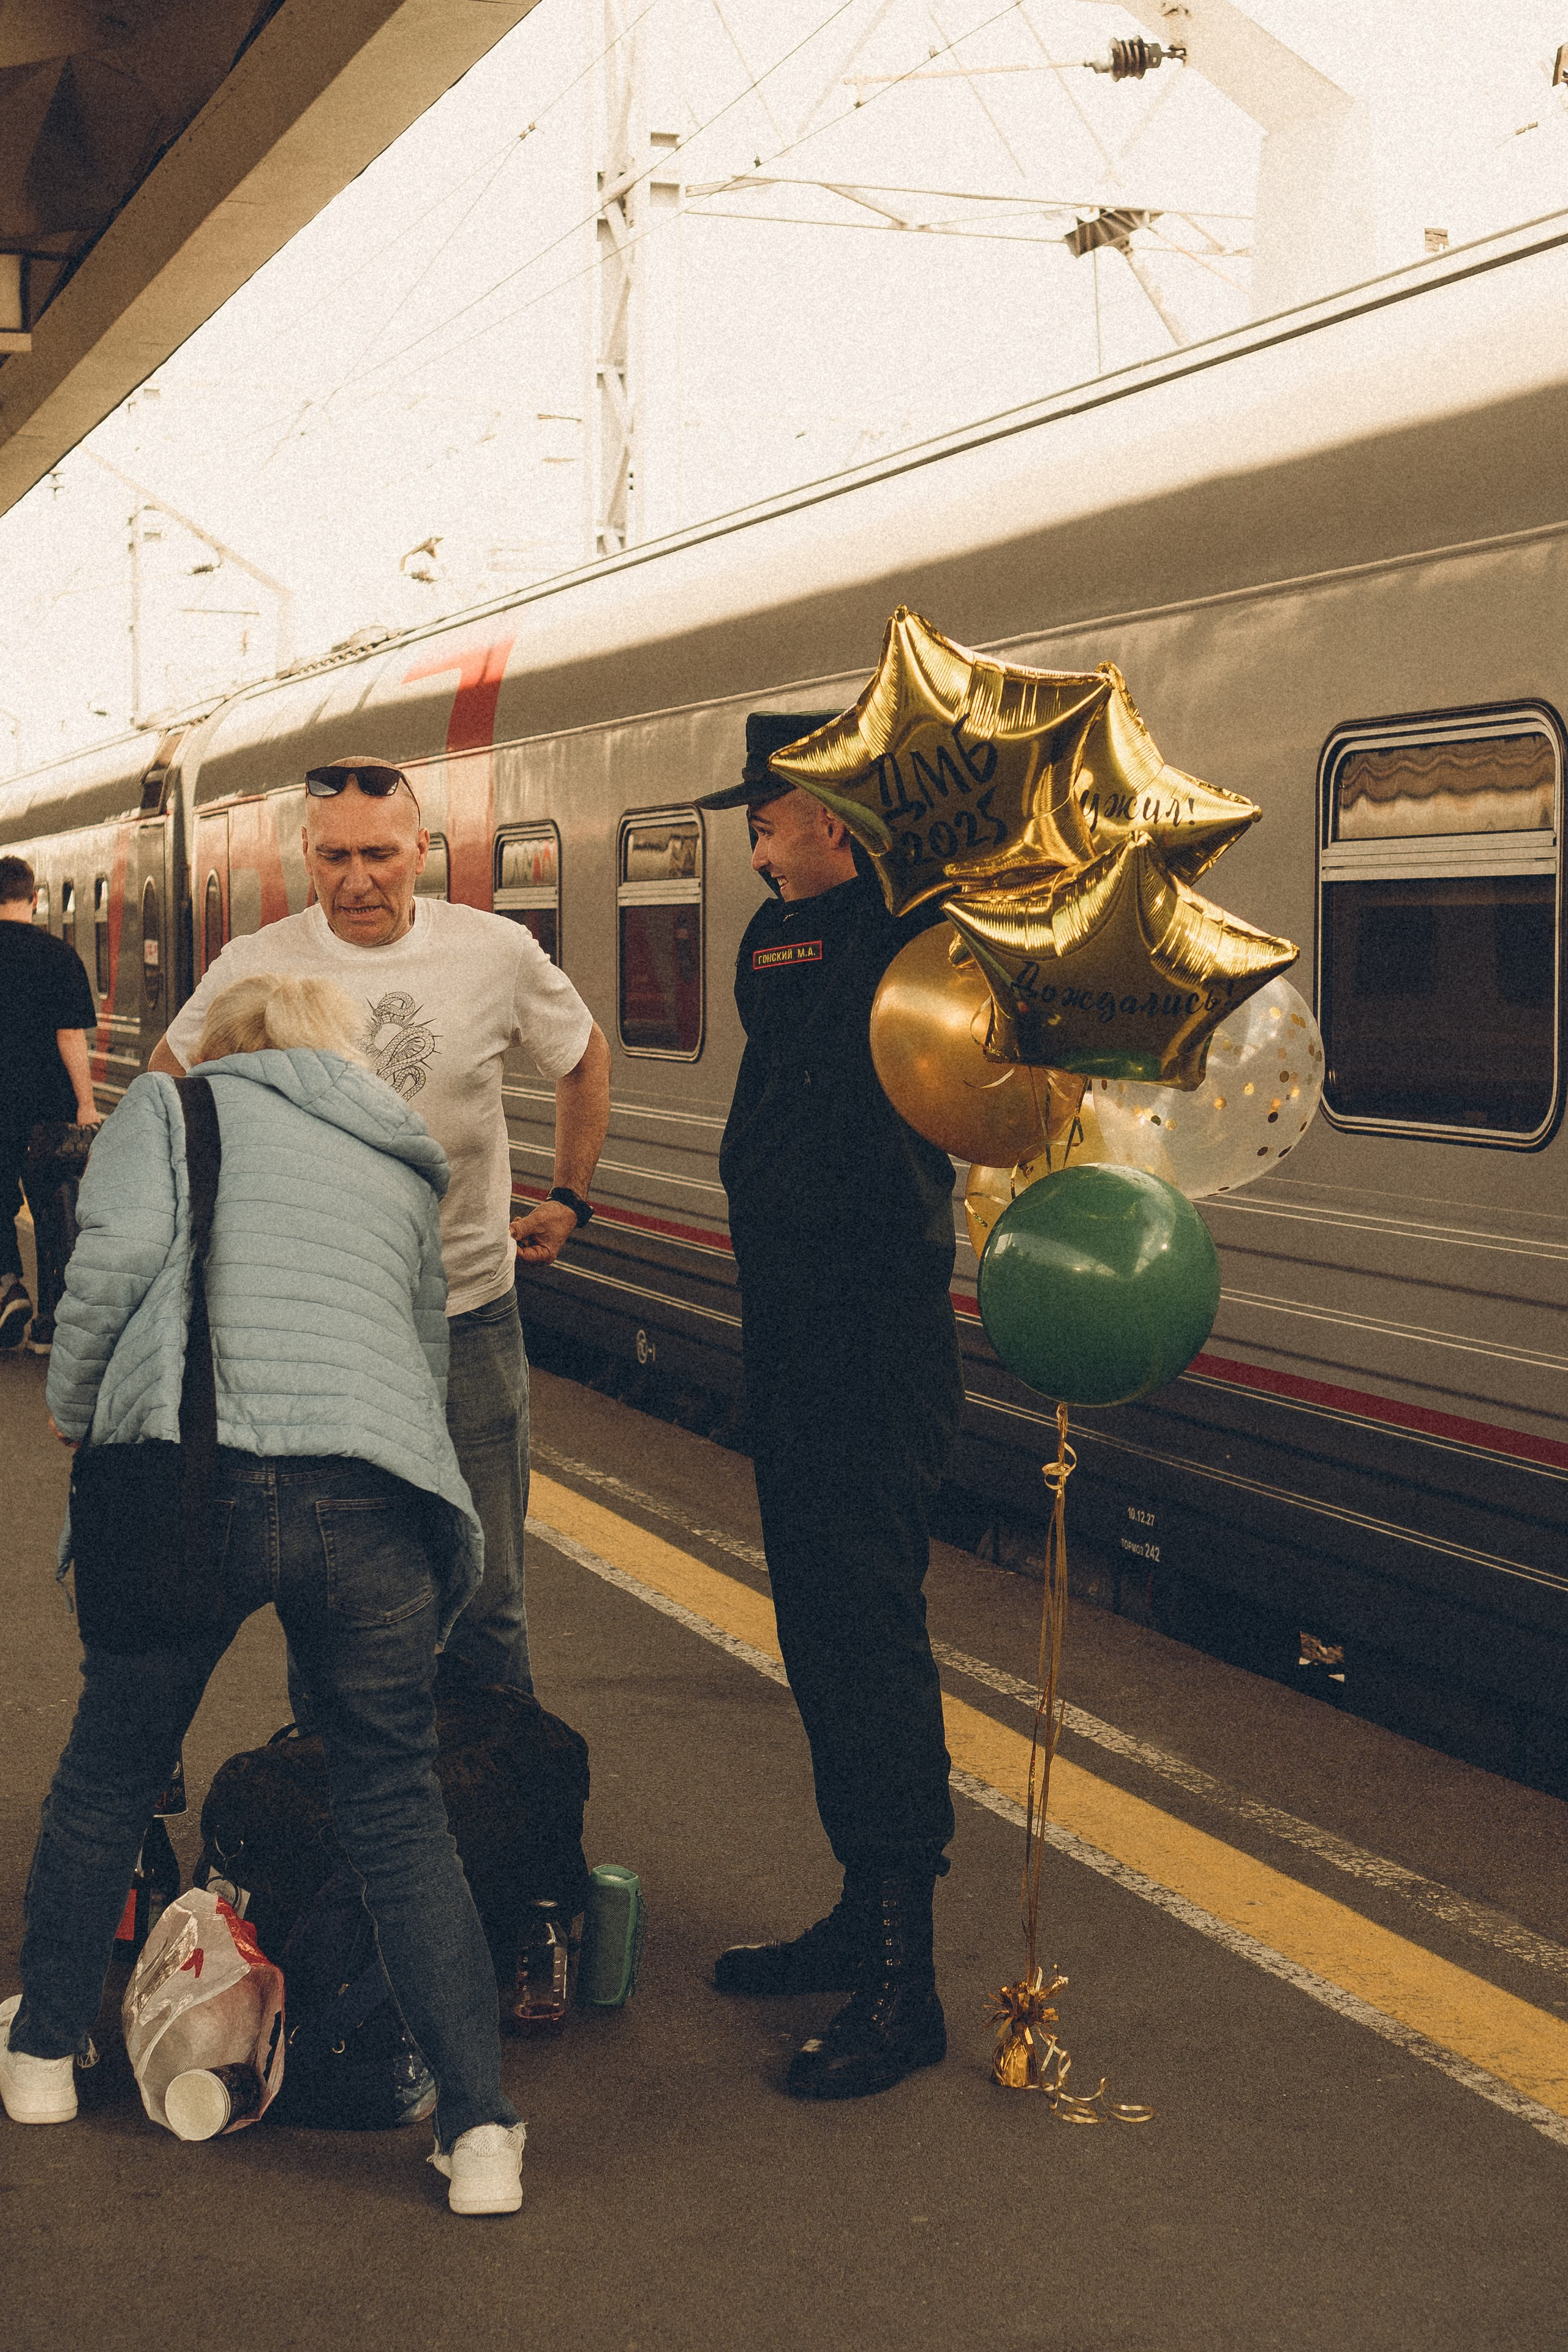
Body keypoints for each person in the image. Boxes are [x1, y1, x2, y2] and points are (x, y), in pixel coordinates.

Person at [0, 972, 527, 2214]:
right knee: (396, 1807)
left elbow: (109, 1266)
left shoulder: (169, 1110)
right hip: (370, 1501)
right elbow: (421, 1348)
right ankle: (480, 2134)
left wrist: (75, 1405)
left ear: (228, 1047)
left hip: (192, 1489)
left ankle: (43, 2054)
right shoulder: (400, 1156)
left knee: (110, 1776)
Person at [150, 757, 610, 1698]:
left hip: (467, 1312)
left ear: (422, 852)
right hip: (321, 1334)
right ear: (305, 856)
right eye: (333, 858)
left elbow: (583, 1056)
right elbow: (169, 1078)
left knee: (486, 1591)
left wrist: (569, 1195)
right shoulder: (256, 963)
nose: (356, 880)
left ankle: (496, 1779)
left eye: (379, 855)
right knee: (328, 1591)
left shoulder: (494, 952)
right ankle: (338, 1775)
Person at [698, 715, 964, 2101]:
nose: (752, 843)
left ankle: (905, 1984)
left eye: (768, 817)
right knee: (816, 1628)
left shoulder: (920, 944)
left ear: (832, 818)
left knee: (867, 1636)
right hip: (793, 1342)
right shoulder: (778, 938)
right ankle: (861, 1915)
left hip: (873, 1344)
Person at [0, 854, 104, 1355]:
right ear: (35, 899)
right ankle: (50, 1323)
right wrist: (86, 1104)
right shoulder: (60, 956)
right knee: (53, 1206)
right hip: (49, 1104)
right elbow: (70, 1037)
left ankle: (8, 1285)